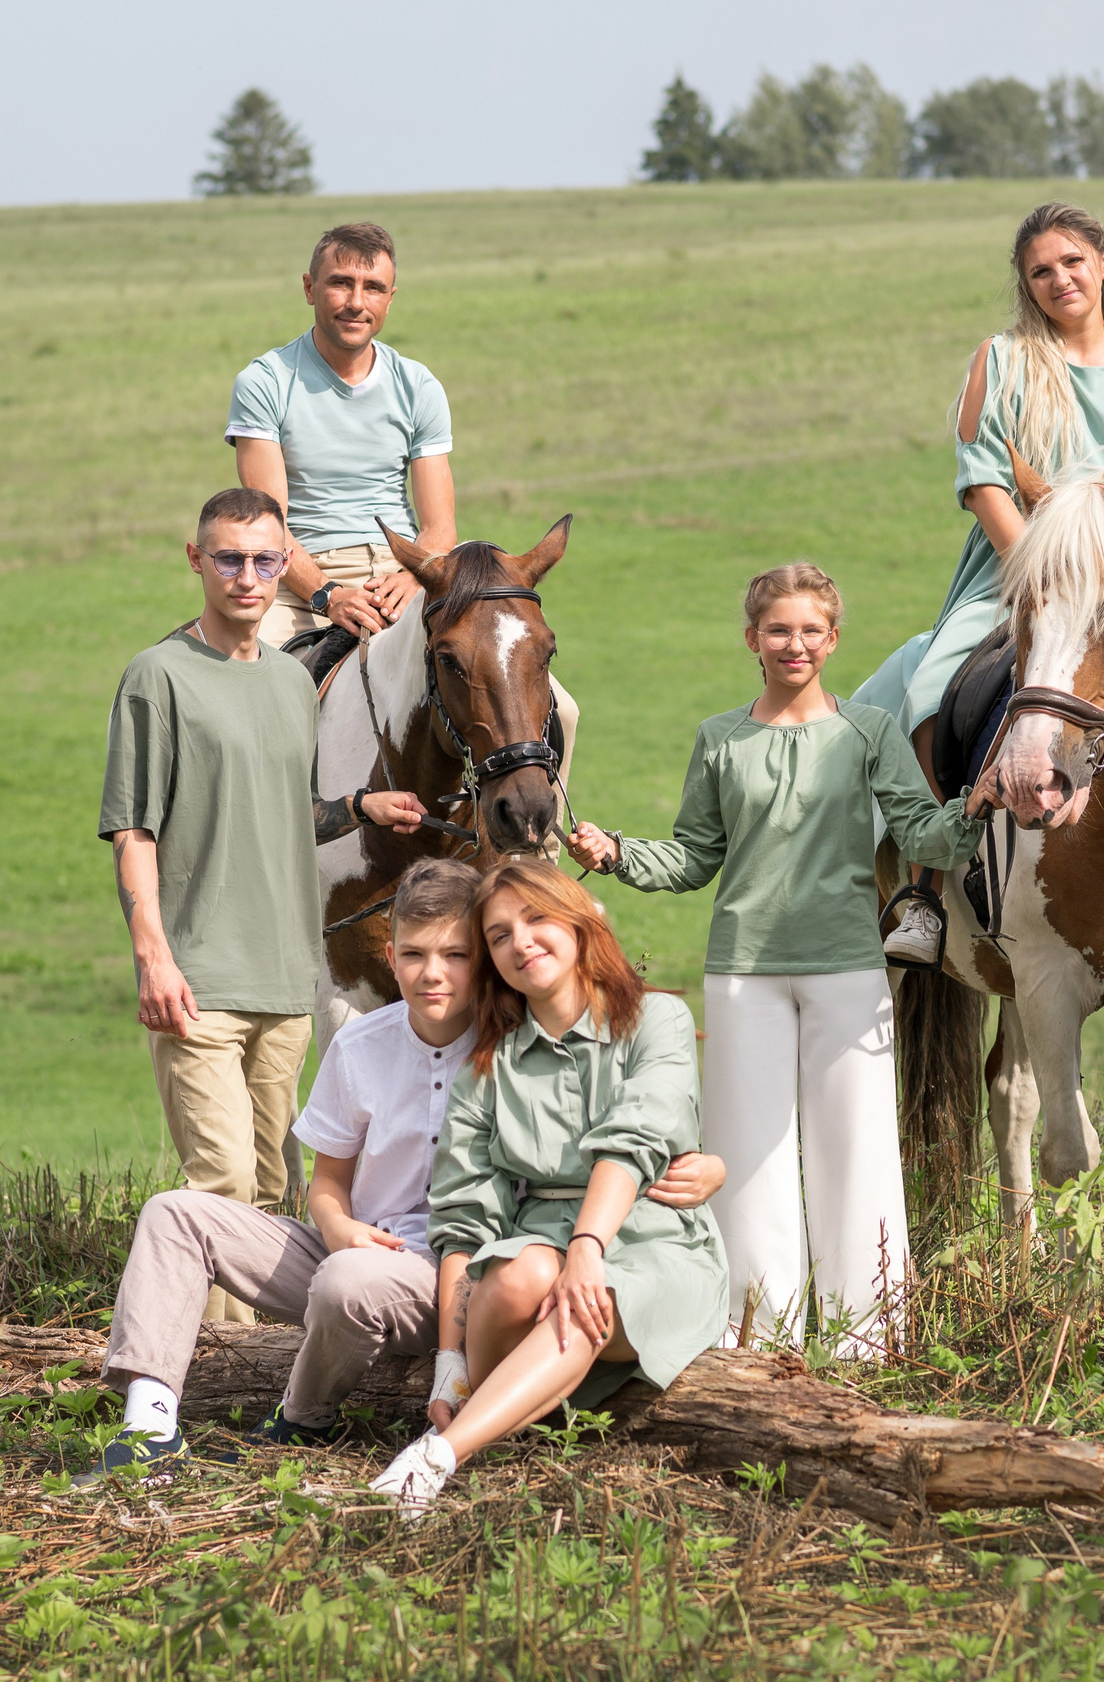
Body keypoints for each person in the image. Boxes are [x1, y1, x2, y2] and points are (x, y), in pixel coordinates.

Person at [84, 859, 731, 1483]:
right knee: (176, 1213)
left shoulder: (509, 1041)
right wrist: (338, 1226)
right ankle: (149, 1429)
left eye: (456, 954)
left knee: (348, 1280)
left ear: (482, 960)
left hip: (455, 1271)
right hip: (361, 1246)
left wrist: (703, 1167)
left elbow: (603, 1127)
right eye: (416, 954)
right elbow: (329, 1180)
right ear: (391, 959)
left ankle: (302, 1420)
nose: (434, 973)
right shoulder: (362, 1043)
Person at [566, 564, 984, 1355]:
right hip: (743, 975)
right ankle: (757, 1338)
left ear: (833, 638)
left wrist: (979, 804)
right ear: (752, 638)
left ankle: (870, 1340)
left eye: (812, 630)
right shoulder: (720, 739)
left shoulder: (869, 732)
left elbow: (924, 836)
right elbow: (695, 857)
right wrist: (616, 851)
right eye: (780, 629)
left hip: (848, 969)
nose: (796, 644)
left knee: (856, 1151)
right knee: (747, 1158)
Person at [855, 201, 1104, 965]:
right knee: (931, 688)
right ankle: (925, 885)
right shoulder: (1004, 358)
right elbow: (985, 479)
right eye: (1040, 271)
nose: (1060, 280)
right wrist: (1050, 571)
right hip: (1017, 572)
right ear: (1027, 284)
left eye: (1072, 263)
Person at [101, 486, 428, 1323]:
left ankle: (252, 1370)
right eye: (229, 559)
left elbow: (282, 809)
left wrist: (358, 809)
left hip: (287, 978)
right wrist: (153, 955)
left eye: (264, 560)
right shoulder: (158, 676)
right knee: (219, 1187)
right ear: (197, 561)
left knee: (275, 1183)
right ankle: (202, 1376)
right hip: (200, 976)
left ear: (284, 564)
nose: (247, 577)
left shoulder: (292, 681)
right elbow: (134, 827)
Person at [368, 862, 730, 1516]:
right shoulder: (490, 1062)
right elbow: (465, 1213)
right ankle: (489, 1411)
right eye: (500, 934)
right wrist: (450, 1356)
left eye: (536, 918)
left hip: (652, 1241)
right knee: (516, 1271)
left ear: (578, 919)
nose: (521, 941)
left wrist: (588, 1248)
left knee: (583, 1297)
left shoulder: (658, 1020)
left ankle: (438, 1456)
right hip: (544, 1240)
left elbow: (634, 1136)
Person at [226, 221, 455, 645]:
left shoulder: (419, 385)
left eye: (373, 288)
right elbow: (269, 524)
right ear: (310, 288)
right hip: (300, 583)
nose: (356, 302)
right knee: (245, 681)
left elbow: (440, 528)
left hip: (403, 574)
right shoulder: (264, 382)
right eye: (340, 283)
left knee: (556, 710)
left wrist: (412, 577)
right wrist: (327, 594)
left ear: (390, 299)